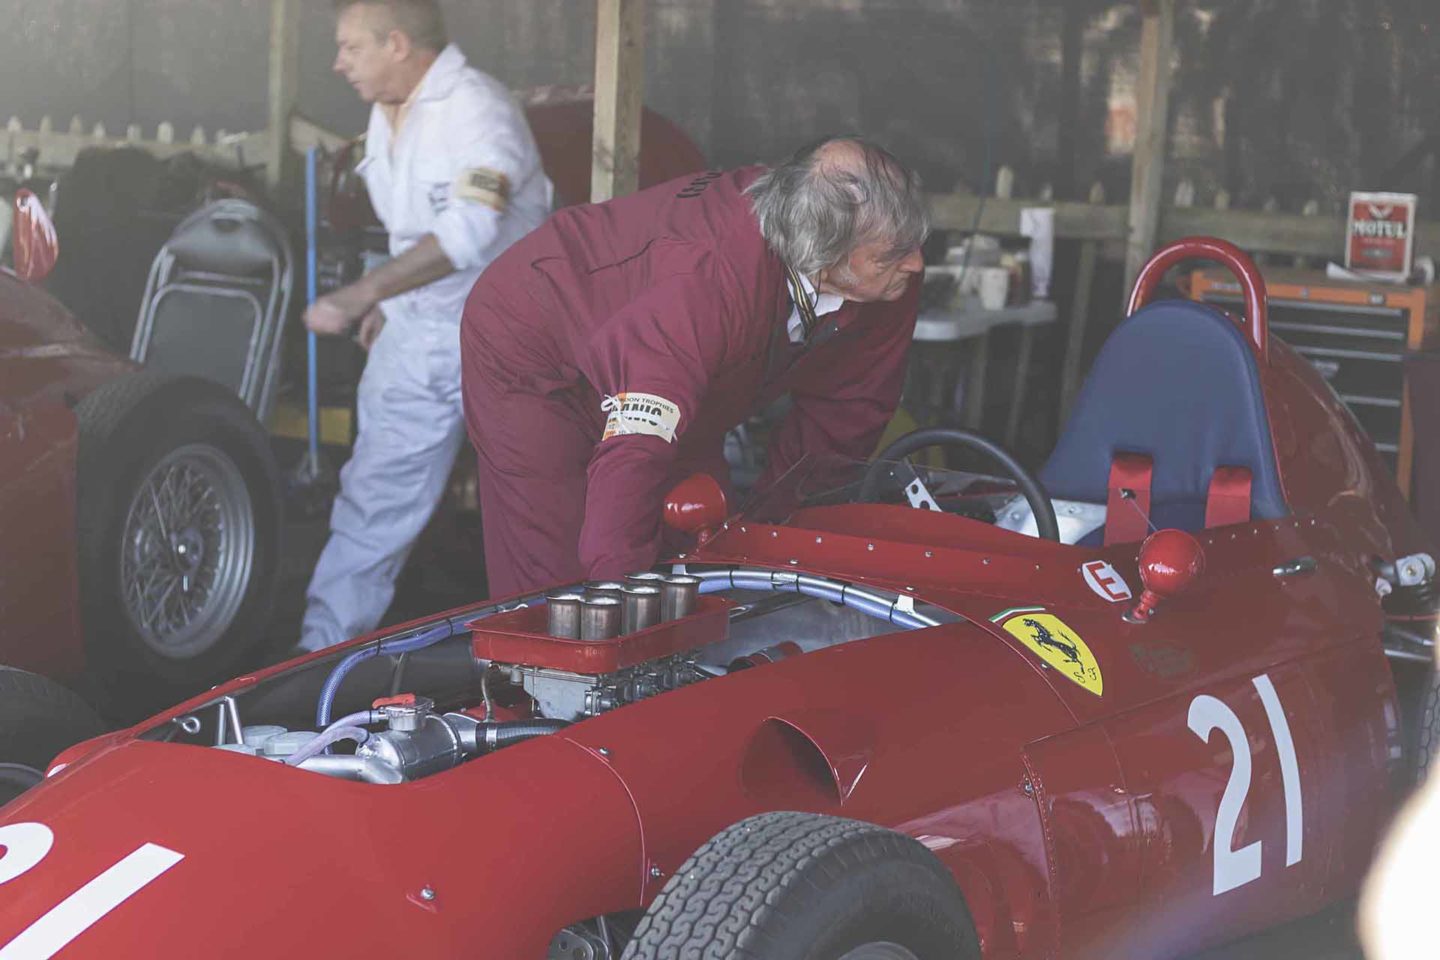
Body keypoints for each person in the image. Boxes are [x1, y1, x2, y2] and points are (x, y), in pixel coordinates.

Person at [460, 136, 927, 597]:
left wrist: (781, 540)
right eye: (893, 253)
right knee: (562, 568)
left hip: (670, 351)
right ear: (826, 255)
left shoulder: (888, 278)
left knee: (700, 532)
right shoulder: (706, 280)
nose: (916, 262)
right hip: (535, 346)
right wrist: (616, 598)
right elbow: (636, 450)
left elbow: (849, 411)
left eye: (914, 243)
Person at [299, 0, 553, 651]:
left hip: (510, 337)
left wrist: (362, 293)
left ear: (397, 43)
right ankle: (321, 650)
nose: (339, 63)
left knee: (538, 501)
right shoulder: (387, 110)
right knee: (374, 495)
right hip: (420, 331)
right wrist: (391, 300)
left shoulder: (477, 109)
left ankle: (553, 657)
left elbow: (469, 230)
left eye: (351, 47)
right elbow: (413, 231)